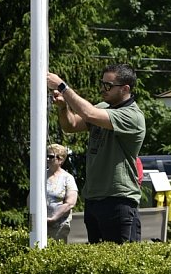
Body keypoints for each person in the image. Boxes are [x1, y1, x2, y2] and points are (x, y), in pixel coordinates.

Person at [47, 64, 146, 244]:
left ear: (125, 89)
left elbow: (89, 113)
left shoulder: (132, 116)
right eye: (103, 83)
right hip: (94, 199)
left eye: (108, 85)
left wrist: (62, 86)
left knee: (120, 264)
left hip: (118, 200)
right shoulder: (104, 107)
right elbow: (71, 126)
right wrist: (63, 108)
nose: (103, 89)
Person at [46, 143, 78, 242]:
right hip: (39, 224)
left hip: (58, 227)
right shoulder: (40, 175)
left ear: (60, 160)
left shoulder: (67, 178)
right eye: (46, 156)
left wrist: (53, 218)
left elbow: (70, 203)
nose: (47, 159)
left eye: (51, 156)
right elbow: (31, 197)